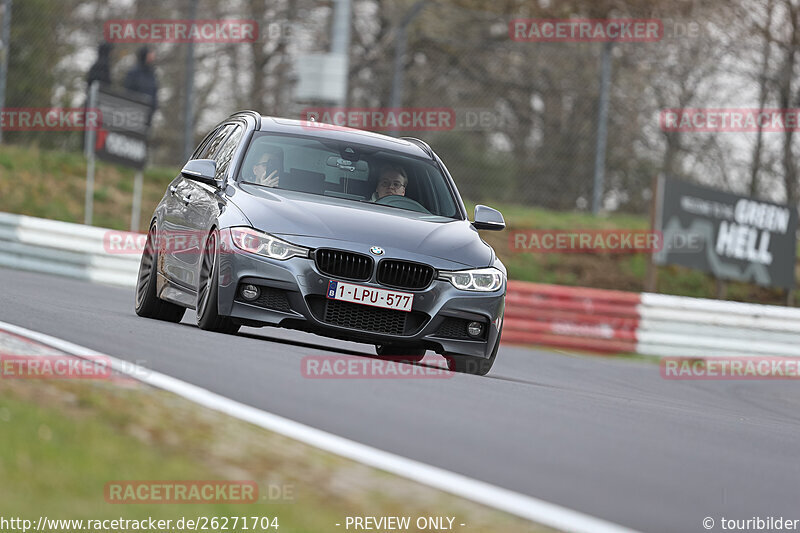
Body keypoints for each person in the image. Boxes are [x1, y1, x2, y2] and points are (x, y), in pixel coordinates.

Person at [123, 46, 158, 126]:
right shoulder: (134, 73)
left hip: (148, 115)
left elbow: (154, 92)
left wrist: (154, 107)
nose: (153, 56)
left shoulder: (151, 74)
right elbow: (128, 92)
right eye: (150, 54)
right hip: (135, 113)